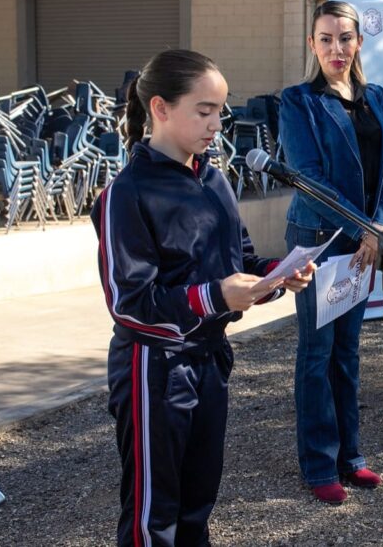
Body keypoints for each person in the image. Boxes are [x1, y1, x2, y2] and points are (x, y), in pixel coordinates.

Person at [93, 49, 315, 546]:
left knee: (198, 502)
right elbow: (130, 304)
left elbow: (241, 257)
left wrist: (277, 275)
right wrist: (215, 297)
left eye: (220, 110)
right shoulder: (126, 194)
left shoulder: (213, 177)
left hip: (209, 361)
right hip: (154, 367)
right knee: (155, 513)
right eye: (204, 110)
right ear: (160, 108)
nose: (217, 123)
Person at [279, 0, 383, 505]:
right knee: (317, 353)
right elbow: (308, 178)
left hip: (365, 243)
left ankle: (351, 457)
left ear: (358, 42)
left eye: (345, 38)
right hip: (321, 241)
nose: (336, 48)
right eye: (325, 39)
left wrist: (382, 226)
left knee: (348, 352)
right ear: (312, 44)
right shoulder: (298, 101)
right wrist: (365, 228)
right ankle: (317, 464)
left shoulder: (376, 97)